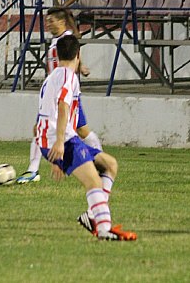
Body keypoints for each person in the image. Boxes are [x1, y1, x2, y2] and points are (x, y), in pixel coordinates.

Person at [35, 35, 136, 241]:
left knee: (110, 165)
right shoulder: (68, 77)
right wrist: (59, 144)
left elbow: (42, 117)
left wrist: (55, 152)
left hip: (60, 138)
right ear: (78, 55)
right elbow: (63, 106)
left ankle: (92, 216)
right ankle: (104, 229)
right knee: (93, 182)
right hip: (62, 140)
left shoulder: (52, 78)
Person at [16, 7, 103, 184]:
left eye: (51, 20)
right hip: (56, 92)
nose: (48, 23)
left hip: (65, 94)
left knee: (79, 130)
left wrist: (81, 67)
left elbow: (73, 56)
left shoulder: (66, 40)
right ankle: (32, 170)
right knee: (44, 128)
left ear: (62, 22)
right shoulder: (58, 40)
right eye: (47, 21)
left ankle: (99, 162)